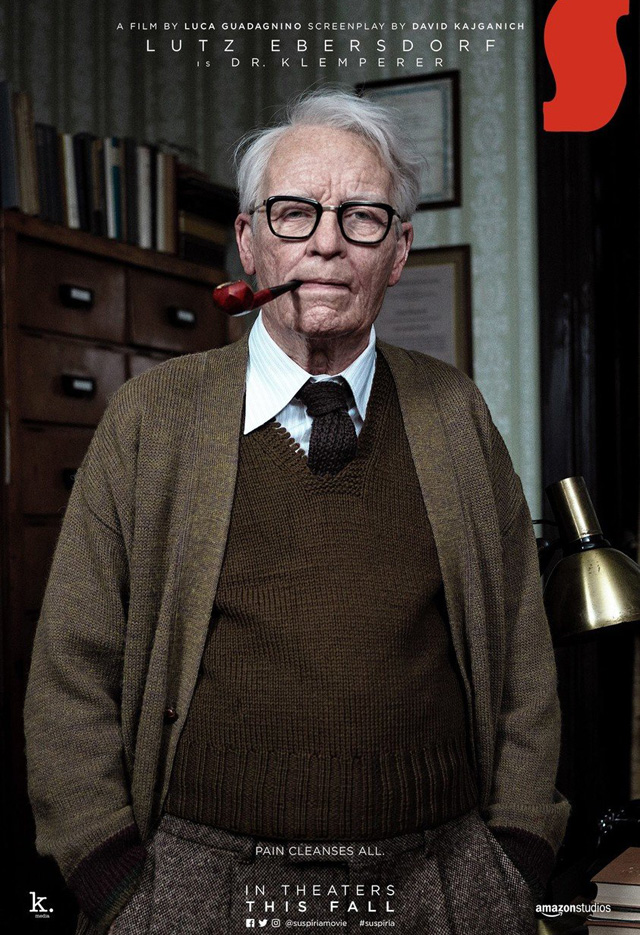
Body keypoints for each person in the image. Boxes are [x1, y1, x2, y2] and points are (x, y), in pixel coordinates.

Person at [24, 89, 570, 935]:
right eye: (294, 212)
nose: (325, 240)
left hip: (441, 883)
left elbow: (524, 663)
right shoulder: (150, 418)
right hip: (199, 890)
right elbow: (71, 669)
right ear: (249, 241)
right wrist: (117, 885)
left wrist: (517, 857)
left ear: (397, 251)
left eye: (362, 217)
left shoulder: (456, 412)